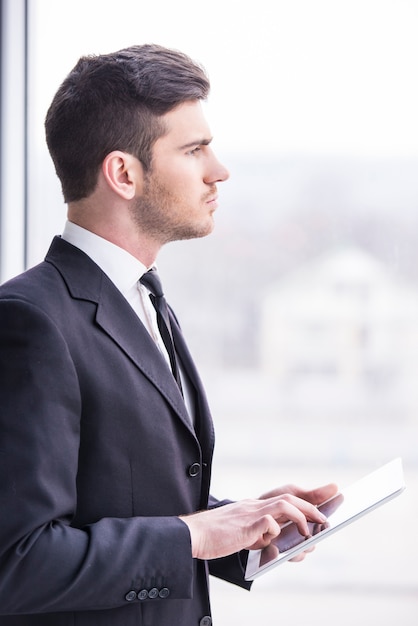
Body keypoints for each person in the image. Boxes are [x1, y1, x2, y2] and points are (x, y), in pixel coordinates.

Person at [0, 44, 337, 626]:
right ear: (124, 174)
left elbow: (117, 498)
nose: (219, 170)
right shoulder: (29, 320)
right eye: (194, 149)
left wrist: (246, 526)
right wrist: (194, 535)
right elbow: (18, 563)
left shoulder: (143, 299)